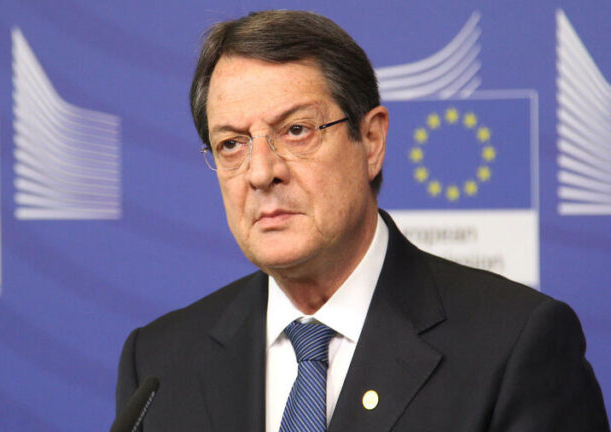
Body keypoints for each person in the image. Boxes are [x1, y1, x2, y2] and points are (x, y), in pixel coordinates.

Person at [116, 10, 609, 431]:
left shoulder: (513, 346)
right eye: (231, 144)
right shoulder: (158, 364)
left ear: (371, 141)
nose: (261, 172)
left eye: (296, 130)